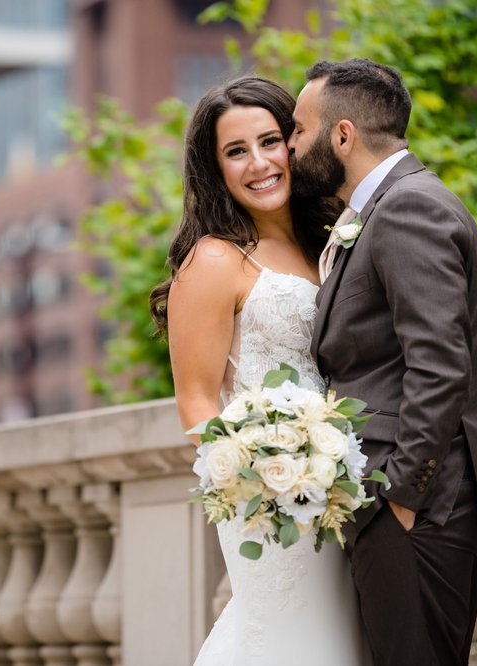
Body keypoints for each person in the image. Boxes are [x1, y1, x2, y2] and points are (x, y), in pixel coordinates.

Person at [288, 58, 477, 666]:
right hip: (397, 503)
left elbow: (439, 365)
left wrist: (401, 496)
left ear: (343, 135)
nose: (292, 146)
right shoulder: (380, 212)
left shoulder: (408, 209)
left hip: (417, 506)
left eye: (299, 130)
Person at [149, 76, 370, 666]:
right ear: (213, 168)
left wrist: (332, 467)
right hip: (272, 506)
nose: (259, 163)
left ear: (295, 143)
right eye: (236, 151)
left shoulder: (328, 240)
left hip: (347, 491)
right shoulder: (215, 260)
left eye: (270, 141)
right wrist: (267, 475)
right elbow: (196, 406)